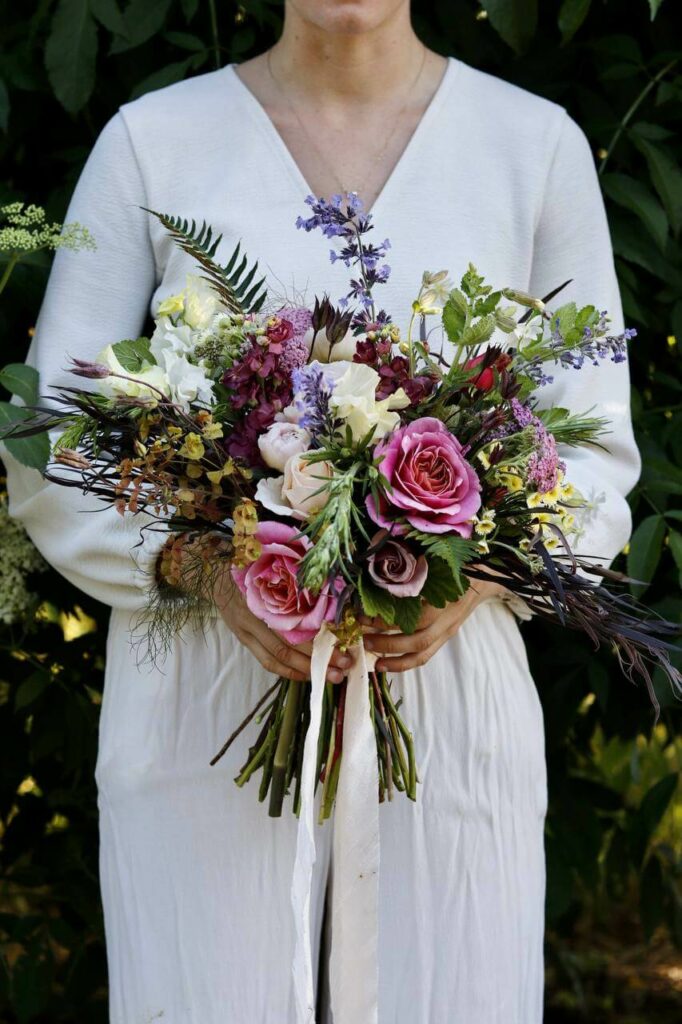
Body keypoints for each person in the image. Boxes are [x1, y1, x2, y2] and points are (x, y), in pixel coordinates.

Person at [5, 1, 640, 1021]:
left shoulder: (533, 147)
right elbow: (50, 434)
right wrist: (209, 570)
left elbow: (593, 448)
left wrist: (473, 572)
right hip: (208, 690)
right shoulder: (152, 144)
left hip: (442, 683)